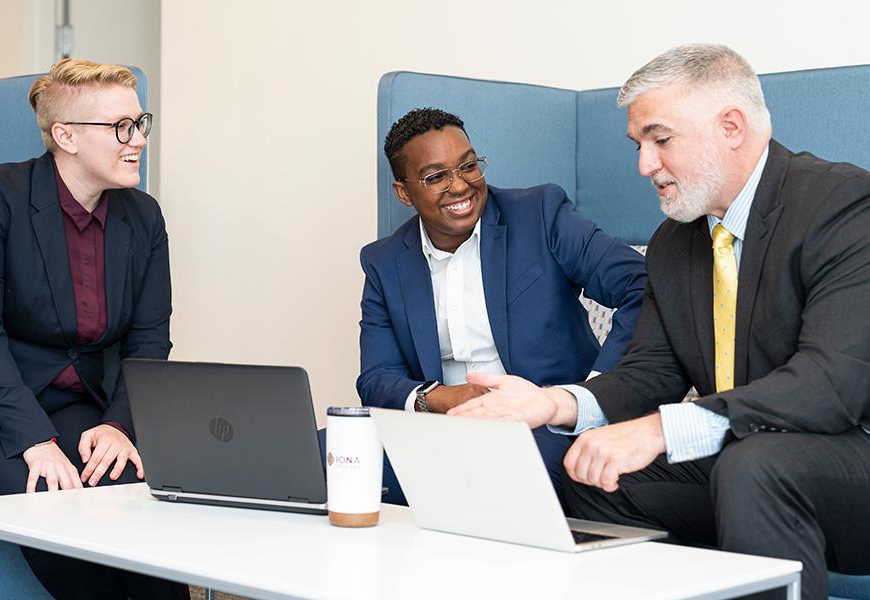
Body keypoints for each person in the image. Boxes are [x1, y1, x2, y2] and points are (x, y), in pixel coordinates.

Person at [451, 44, 870, 599]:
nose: (644, 165)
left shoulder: (844, 204)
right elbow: (651, 370)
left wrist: (658, 429)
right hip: (747, 458)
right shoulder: (677, 241)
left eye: (661, 139)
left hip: (849, 458)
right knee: (594, 472)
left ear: (731, 127)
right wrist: (554, 403)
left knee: (755, 466)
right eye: (639, 144)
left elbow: (829, 386)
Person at [0, 59, 188, 599]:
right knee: (52, 500)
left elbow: (147, 340)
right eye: (120, 127)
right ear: (65, 136)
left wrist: (118, 424)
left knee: (139, 503)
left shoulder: (144, 217)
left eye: (140, 123)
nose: (137, 140)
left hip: (74, 404)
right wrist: (33, 439)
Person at [355, 107, 646, 503]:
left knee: (490, 478)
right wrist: (440, 398)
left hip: (542, 426)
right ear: (404, 192)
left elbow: (640, 285)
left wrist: (589, 396)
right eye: (436, 176)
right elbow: (377, 379)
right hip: (440, 427)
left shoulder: (540, 215)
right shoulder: (384, 262)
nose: (460, 186)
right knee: (332, 457)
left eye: (468, 166)